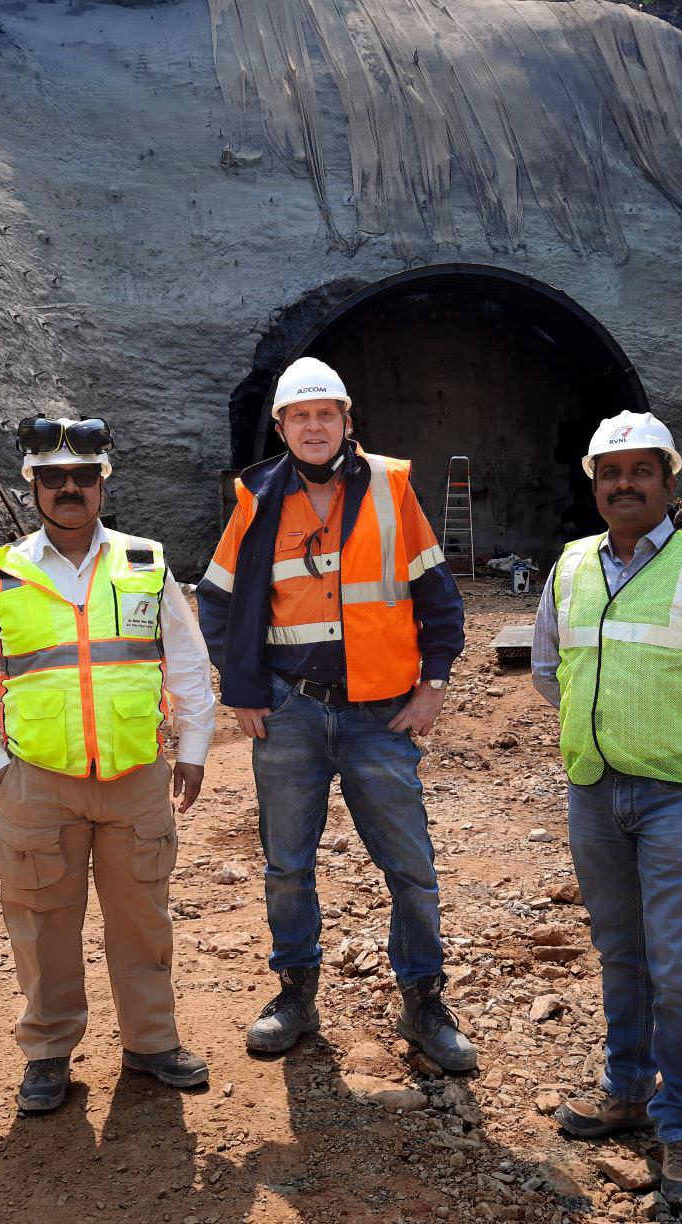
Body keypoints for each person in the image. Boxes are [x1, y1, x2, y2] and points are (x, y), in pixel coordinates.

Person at [196, 357, 475, 1072]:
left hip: (379, 715)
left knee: (410, 867)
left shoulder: (389, 488)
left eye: (327, 414)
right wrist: (243, 688)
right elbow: (218, 600)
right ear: (282, 427)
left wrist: (434, 683)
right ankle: (295, 996)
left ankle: (423, 1002)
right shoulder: (258, 498)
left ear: (348, 422)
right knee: (287, 866)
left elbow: (437, 595)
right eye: (301, 416)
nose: (314, 427)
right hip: (291, 711)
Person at [530, 410, 682, 1208]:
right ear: (594, 485)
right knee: (620, 953)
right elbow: (548, 670)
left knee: (678, 971)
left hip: (677, 799)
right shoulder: (571, 565)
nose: (624, 484)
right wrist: (602, 728)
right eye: (610, 472)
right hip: (594, 789)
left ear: (670, 482)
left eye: (641, 470)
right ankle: (628, 1090)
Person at [0, 415, 215, 1114]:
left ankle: (151, 1044)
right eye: (53, 477)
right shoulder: (4, 573)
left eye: (83, 476)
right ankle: (48, 1053)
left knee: (143, 919)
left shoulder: (145, 563)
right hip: (39, 783)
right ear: (32, 485)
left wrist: (192, 749)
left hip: (135, 779)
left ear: (102, 483)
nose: (69, 488)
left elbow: (186, 661)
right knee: (42, 924)